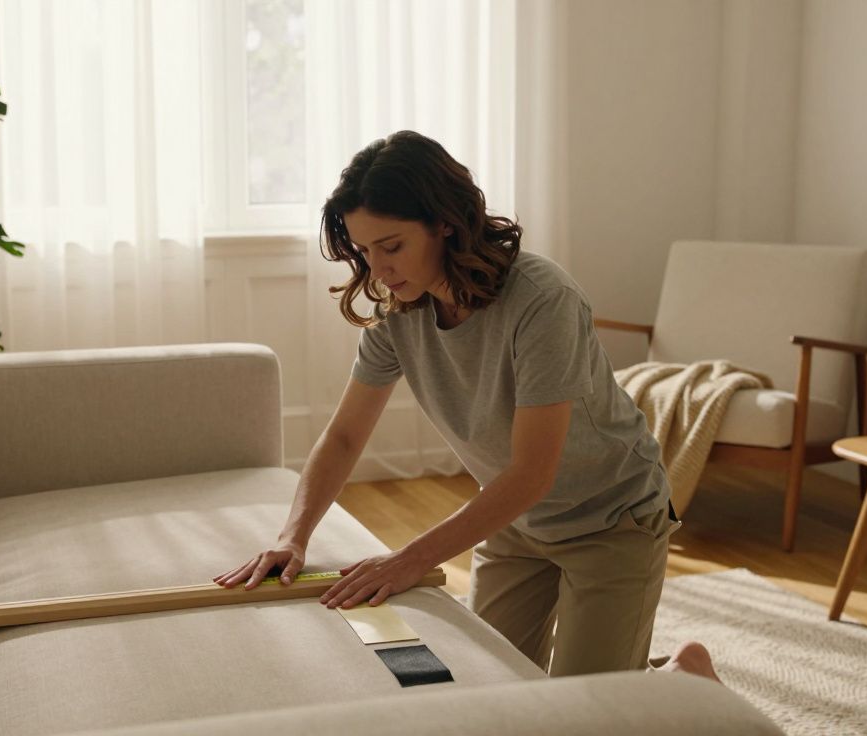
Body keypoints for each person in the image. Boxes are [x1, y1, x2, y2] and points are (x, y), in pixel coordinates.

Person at [214, 130, 719, 682]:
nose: (377, 269)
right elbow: (343, 438)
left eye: (392, 245)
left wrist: (409, 560)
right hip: (515, 522)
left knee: (584, 713)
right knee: (491, 686)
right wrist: (294, 536)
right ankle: (663, 673)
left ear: (444, 223)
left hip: (611, 519)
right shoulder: (397, 317)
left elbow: (532, 472)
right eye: (365, 251)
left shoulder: (542, 300)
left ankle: (678, 679)